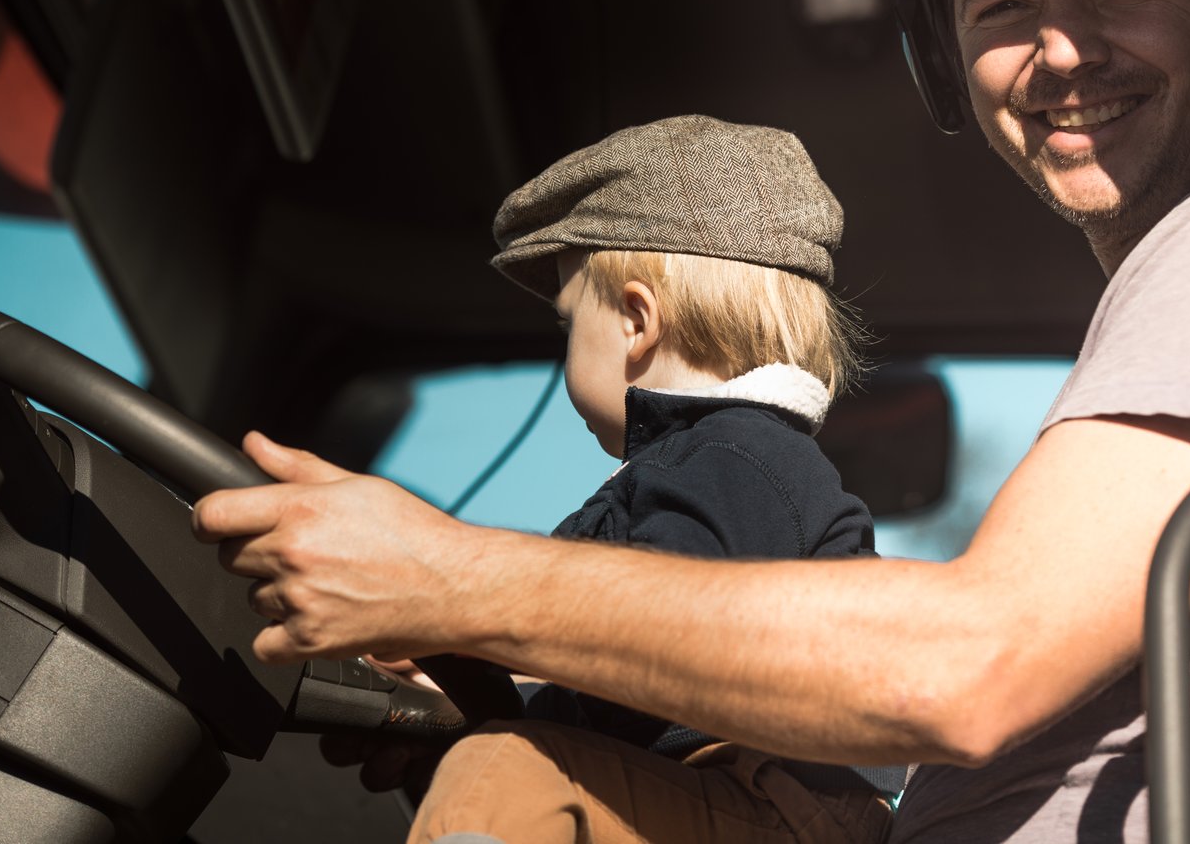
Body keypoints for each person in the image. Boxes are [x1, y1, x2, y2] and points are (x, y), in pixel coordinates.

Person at [193, 0, 1190, 841]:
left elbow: (967, 665)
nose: (1060, 52)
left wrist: (447, 581)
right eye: (1005, 6)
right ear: (945, 63)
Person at [375, 114, 892, 841]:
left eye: (568, 323)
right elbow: (627, 688)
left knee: (499, 773)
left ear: (636, 319)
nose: (566, 349)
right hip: (720, 800)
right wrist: (462, 683)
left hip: (765, 808)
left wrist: (464, 619)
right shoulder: (734, 462)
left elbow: (656, 631)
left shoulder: (735, 457)